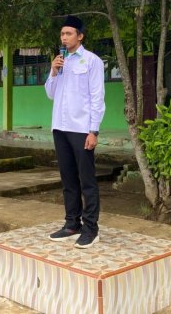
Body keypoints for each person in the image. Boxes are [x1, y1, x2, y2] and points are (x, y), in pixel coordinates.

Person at [44, 15, 105, 249]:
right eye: (62, 34)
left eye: (68, 33)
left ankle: (91, 228)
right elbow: (50, 94)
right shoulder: (60, 62)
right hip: (60, 127)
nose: (64, 37)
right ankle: (72, 224)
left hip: (81, 129)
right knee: (68, 178)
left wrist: (93, 131)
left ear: (80, 36)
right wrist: (53, 71)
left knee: (86, 180)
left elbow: (97, 97)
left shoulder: (91, 61)